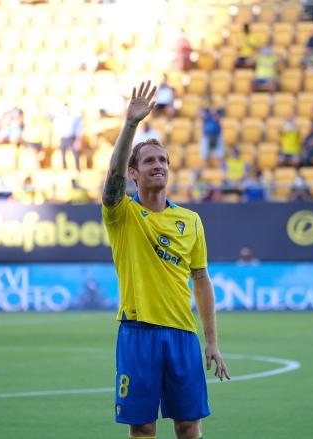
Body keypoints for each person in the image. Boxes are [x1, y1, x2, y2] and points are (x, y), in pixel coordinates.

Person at [101, 81, 230, 439]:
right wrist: (130, 125)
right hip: (137, 332)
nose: (158, 165)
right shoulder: (122, 214)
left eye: (162, 160)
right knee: (142, 428)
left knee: (189, 426)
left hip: (182, 336)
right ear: (134, 173)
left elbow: (202, 280)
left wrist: (212, 341)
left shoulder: (190, 220)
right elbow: (110, 182)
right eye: (148, 161)